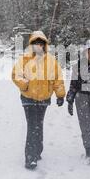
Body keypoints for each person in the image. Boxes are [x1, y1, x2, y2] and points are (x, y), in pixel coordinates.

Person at [12, 31, 66, 170]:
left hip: (43, 99)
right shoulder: (24, 59)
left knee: (38, 124)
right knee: (32, 126)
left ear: (44, 45)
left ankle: (38, 149)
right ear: (31, 45)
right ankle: (30, 158)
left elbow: (57, 79)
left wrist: (60, 95)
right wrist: (25, 84)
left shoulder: (51, 61)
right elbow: (15, 75)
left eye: (41, 43)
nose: (38, 46)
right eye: (35, 43)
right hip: (28, 98)